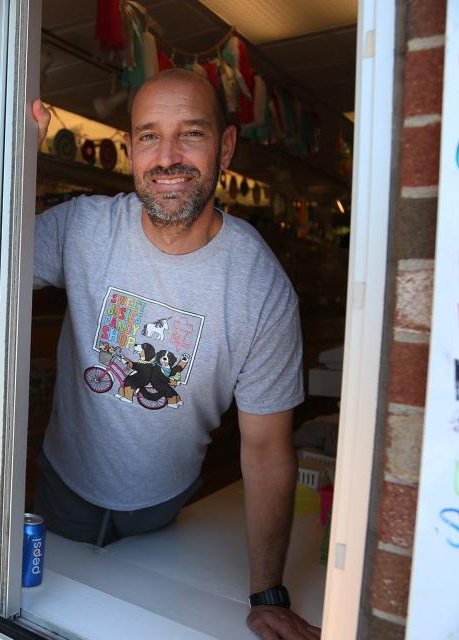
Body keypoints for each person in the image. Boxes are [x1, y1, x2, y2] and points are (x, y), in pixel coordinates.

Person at [31, 69, 319, 640]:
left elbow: (265, 450)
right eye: (148, 136)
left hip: (165, 507)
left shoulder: (261, 289)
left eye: (190, 133)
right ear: (130, 149)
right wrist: (17, 158)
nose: (167, 157)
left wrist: (268, 592)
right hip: (62, 486)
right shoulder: (82, 229)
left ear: (225, 146)